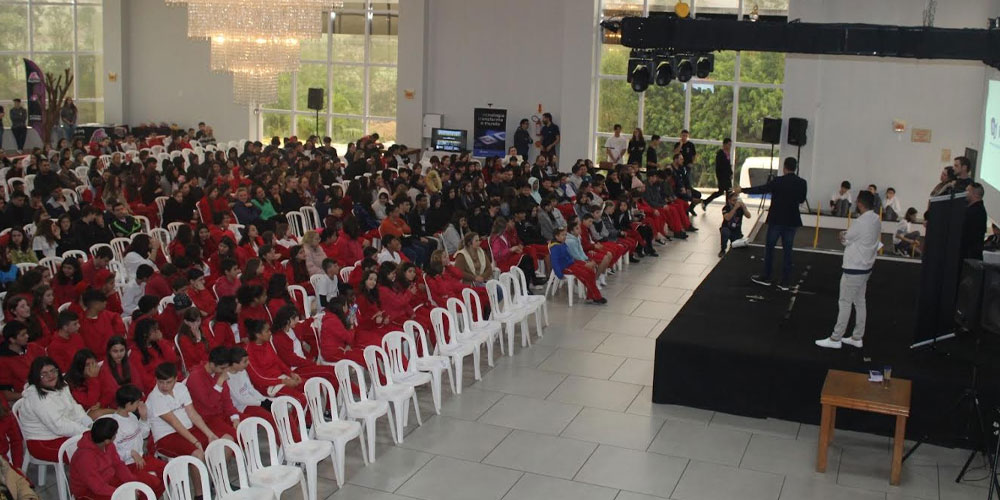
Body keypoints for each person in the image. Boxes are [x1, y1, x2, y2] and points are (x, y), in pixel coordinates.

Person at [816, 191, 881, 349]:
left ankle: (835, 338)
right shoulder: (876, 219)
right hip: (866, 267)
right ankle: (857, 337)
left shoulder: (860, 222)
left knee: (845, 303)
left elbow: (846, 239)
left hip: (854, 267)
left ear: (860, 203)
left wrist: (842, 235)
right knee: (860, 302)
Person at [735, 157, 808, 290]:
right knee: (788, 251)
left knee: (770, 248)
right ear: (795, 168)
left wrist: (743, 190)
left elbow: (761, 189)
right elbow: (801, 199)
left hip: (776, 219)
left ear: (784, 168)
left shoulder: (778, 181)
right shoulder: (802, 183)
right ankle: (785, 282)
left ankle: (767, 277)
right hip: (792, 220)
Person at [145, 362, 231, 459]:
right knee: (197, 454)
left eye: (168, 382)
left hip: (189, 429)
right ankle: (203, 467)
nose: (164, 386)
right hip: (167, 436)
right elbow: (175, 423)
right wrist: (195, 442)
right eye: (161, 382)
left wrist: (209, 434)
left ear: (176, 379)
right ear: (156, 380)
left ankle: (218, 468)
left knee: (226, 440)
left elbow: (193, 414)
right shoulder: (155, 397)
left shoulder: (181, 388)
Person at [17, 357, 93, 463]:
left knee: (99, 443)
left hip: (63, 432)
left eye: (53, 371)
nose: (50, 376)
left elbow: (74, 407)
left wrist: (88, 423)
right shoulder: (37, 398)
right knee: (90, 451)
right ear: (36, 377)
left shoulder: (62, 384)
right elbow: (59, 426)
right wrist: (86, 432)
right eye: (44, 374)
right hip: (43, 441)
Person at [100, 385, 166, 496]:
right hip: (127, 465)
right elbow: (112, 454)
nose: (139, 403)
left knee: (167, 471)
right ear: (128, 405)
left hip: (140, 459)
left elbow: (143, 435)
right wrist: (131, 453)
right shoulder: (114, 425)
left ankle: (153, 496)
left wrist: (144, 418)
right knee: (152, 483)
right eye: (137, 402)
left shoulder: (132, 416)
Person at [68, 418, 148, 500]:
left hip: (109, 480)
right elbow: (97, 487)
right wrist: (122, 492)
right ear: (106, 440)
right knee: (127, 496)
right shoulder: (84, 458)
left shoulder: (108, 445)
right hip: (89, 492)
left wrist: (132, 482)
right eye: (115, 434)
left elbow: (118, 465)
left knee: (143, 486)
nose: (116, 436)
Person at [702, 138, 733, 209]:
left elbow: (728, 165)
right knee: (724, 192)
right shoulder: (720, 154)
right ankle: (727, 207)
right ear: (724, 144)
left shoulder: (728, 153)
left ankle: (727, 206)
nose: (730, 146)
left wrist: (731, 173)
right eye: (728, 145)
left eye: (730, 145)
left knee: (727, 192)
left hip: (727, 176)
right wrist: (720, 177)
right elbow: (719, 166)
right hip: (722, 177)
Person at [961, 182, 987, 261]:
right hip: (969, 254)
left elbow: (967, 233)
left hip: (969, 256)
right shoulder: (975, 209)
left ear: (975, 194)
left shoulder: (976, 211)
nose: (965, 193)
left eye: (967, 191)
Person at [719, 192, 750, 257]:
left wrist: (744, 207)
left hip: (736, 230)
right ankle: (723, 249)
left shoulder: (740, 208)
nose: (735, 202)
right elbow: (727, 218)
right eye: (733, 200)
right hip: (727, 228)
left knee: (739, 248)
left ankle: (733, 245)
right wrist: (735, 208)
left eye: (736, 200)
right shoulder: (726, 208)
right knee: (725, 232)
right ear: (729, 201)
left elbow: (748, 216)